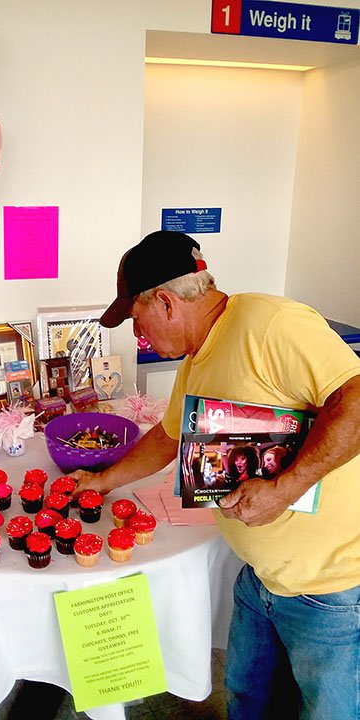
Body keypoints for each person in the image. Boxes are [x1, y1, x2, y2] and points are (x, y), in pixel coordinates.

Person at [70, 230, 360, 720]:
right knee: (247, 700)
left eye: (137, 320)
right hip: (263, 579)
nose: (139, 336)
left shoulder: (270, 323)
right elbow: (167, 438)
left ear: (164, 302)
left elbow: (354, 400)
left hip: (329, 588)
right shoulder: (198, 355)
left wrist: (283, 488)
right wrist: (102, 481)